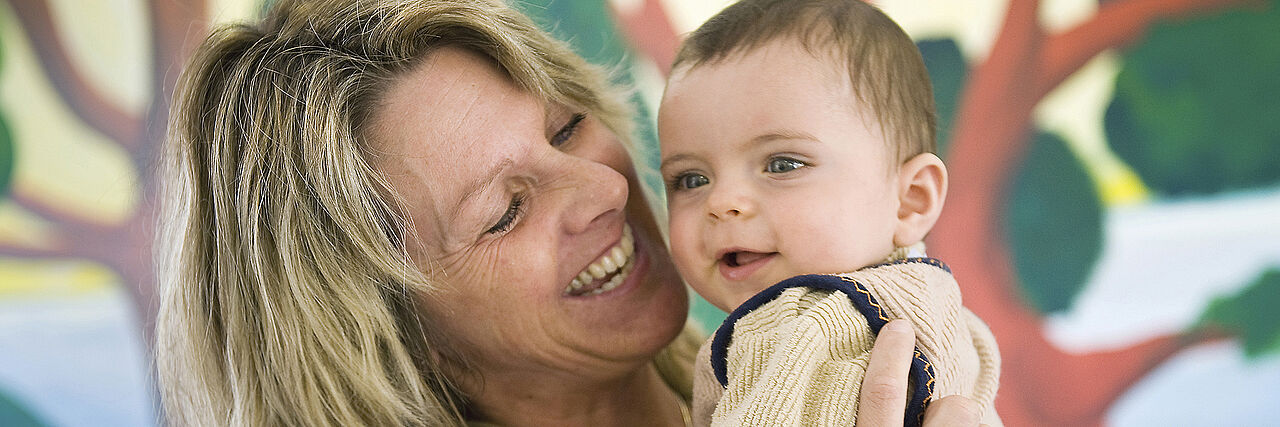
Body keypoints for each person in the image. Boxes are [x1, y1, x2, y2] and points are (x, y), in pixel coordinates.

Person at [154, 0, 990, 425]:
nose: (607, 190)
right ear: (385, 335)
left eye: (568, 126)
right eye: (506, 210)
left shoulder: (812, 357)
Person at [657, 0, 1002, 425]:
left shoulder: (799, 325)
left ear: (911, 198)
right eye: (691, 179)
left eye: (783, 164)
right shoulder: (956, 322)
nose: (722, 202)